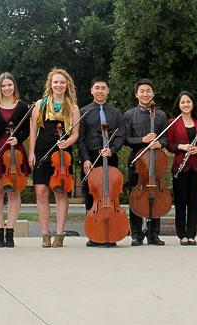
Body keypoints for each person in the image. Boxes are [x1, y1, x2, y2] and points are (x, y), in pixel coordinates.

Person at [28, 68, 80, 248]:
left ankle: (59, 233)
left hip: (63, 153)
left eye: (62, 82)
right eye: (56, 82)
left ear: (67, 86)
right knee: (41, 191)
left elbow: (75, 134)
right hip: (42, 149)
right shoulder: (40, 104)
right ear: (51, 84)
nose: (59, 85)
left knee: (60, 191)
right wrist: (31, 153)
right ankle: (45, 233)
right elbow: (33, 130)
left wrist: (68, 142)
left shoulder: (72, 107)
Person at [0, 72, 31, 248]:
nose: (7, 88)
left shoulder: (23, 107)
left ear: (14, 87)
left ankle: (10, 231)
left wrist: (18, 139)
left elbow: (27, 130)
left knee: (14, 192)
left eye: (9, 85)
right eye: (3, 86)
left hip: (14, 152)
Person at [77, 77, 125, 247]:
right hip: (91, 157)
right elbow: (80, 139)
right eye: (97, 88)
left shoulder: (116, 113)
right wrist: (85, 159)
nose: (100, 91)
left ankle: (111, 232)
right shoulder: (84, 112)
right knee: (92, 194)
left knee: (110, 193)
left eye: (103, 88)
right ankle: (94, 234)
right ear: (91, 90)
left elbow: (120, 136)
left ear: (108, 91)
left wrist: (112, 149)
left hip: (110, 157)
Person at [123, 78, 168, 246]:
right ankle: (136, 233)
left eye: (148, 91)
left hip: (155, 161)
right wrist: (143, 139)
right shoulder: (129, 114)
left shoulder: (161, 115)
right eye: (142, 91)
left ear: (153, 93)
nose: (145, 94)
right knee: (136, 194)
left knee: (155, 194)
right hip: (137, 161)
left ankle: (153, 234)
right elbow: (126, 139)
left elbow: (166, 138)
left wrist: (160, 143)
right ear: (136, 94)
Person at [167, 91, 197, 246]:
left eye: (188, 102)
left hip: (196, 166)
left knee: (194, 202)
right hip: (180, 166)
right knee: (181, 202)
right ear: (178, 105)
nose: (186, 105)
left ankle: (191, 234)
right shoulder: (173, 122)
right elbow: (169, 145)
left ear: (193, 104)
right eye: (183, 102)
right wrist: (181, 146)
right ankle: (182, 234)